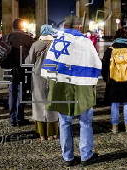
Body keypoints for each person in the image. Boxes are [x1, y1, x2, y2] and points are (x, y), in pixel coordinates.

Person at [41, 16, 101, 167]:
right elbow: (96, 63)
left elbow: (49, 64)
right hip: (82, 85)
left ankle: (67, 157)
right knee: (85, 122)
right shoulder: (85, 42)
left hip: (61, 85)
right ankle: (86, 155)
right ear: (79, 27)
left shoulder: (57, 40)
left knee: (65, 122)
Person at [101, 28, 127, 134]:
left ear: (116, 37)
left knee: (114, 103)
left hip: (113, 80)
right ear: (125, 37)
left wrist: (106, 79)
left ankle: (115, 127)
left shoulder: (110, 50)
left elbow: (104, 66)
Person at [25, 24, 59, 141]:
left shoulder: (35, 44)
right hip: (53, 76)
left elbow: (29, 61)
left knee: (39, 104)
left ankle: (42, 134)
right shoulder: (57, 45)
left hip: (38, 77)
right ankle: (53, 133)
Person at [2, 18, 34, 126]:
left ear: (13, 26)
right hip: (23, 69)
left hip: (9, 69)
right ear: (22, 26)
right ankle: (20, 118)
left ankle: (12, 119)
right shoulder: (28, 38)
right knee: (21, 94)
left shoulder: (6, 37)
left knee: (12, 93)